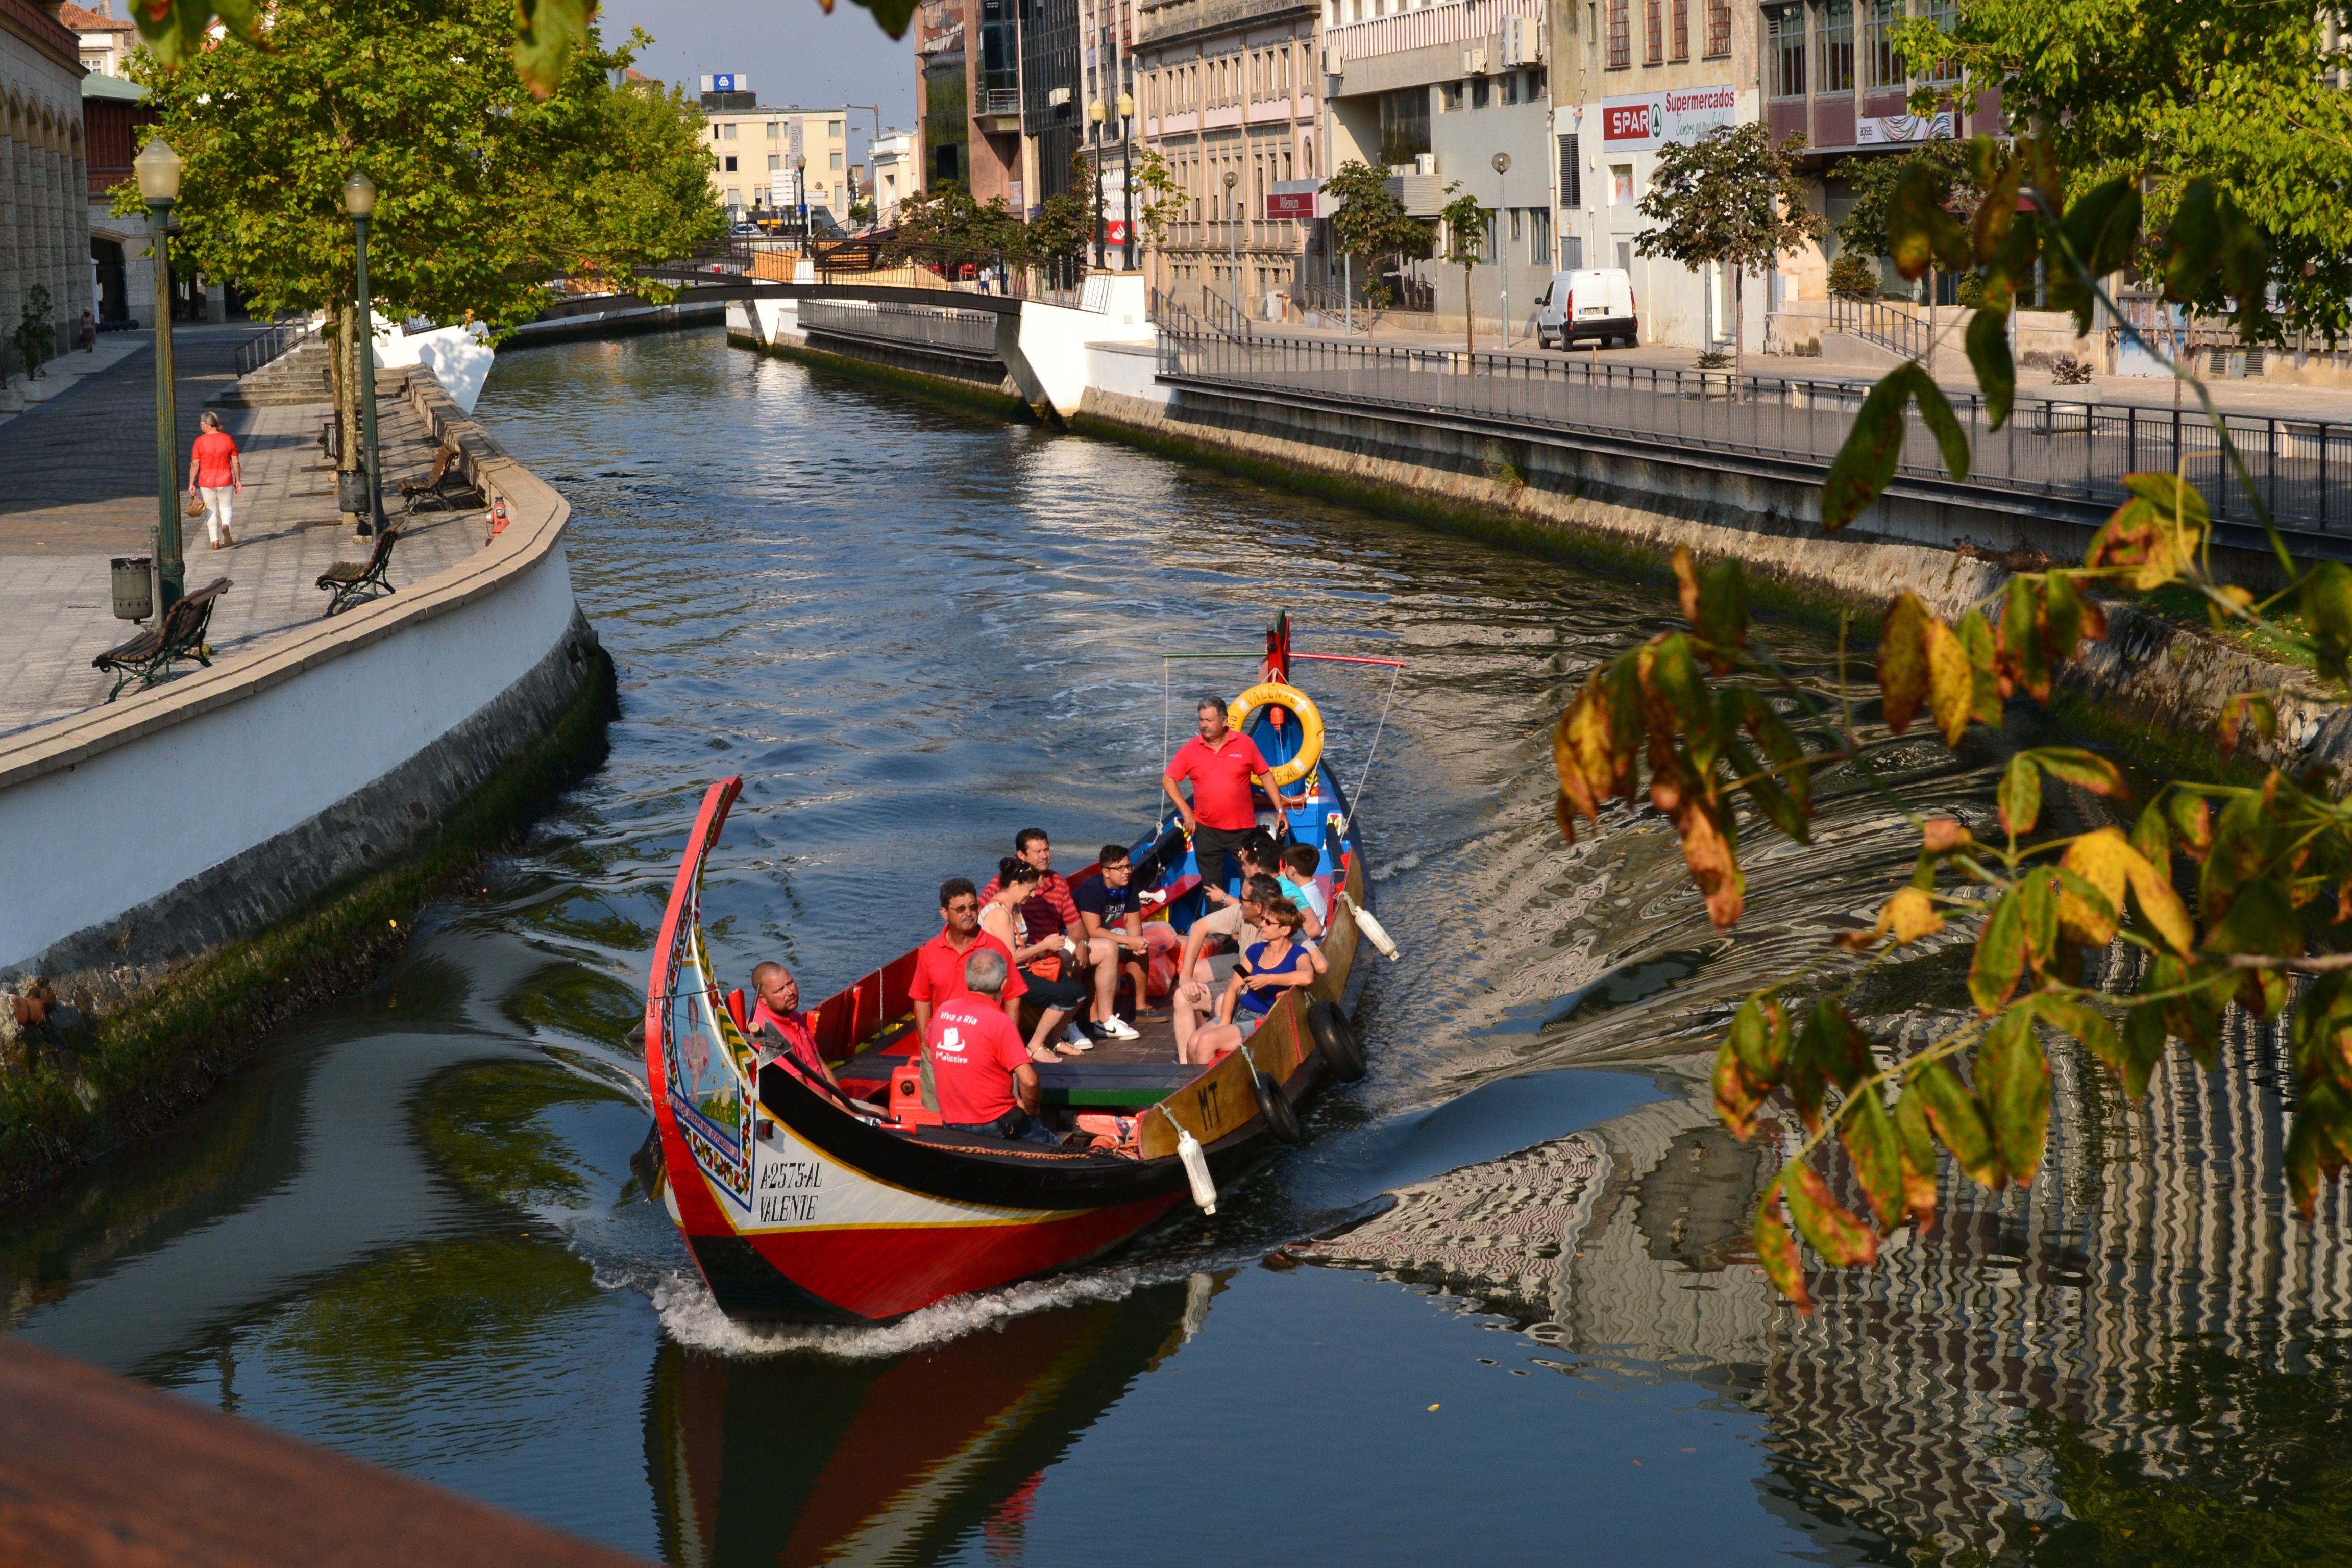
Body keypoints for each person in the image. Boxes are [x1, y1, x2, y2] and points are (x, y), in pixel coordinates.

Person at [979, 828, 1137, 1043]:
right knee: (1062, 957)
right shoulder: (1004, 885)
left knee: (1108, 948)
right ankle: (1067, 1026)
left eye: (1047, 850)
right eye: (1037, 852)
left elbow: (1075, 924)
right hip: (1029, 950)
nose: (1044, 856)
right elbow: (980, 915)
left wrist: (1082, 944)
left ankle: (1105, 1020)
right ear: (1022, 856)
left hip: (1054, 941)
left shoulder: (1058, 882)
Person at [1163, 698, 1303, 897]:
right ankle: (1217, 927)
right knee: (1212, 890)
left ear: (1224, 721)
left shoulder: (1245, 744)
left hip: (1243, 832)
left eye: (1209, 720)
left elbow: (1265, 775)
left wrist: (1281, 810)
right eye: (1201, 720)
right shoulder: (1191, 749)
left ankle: (1249, 925)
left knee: (1252, 888)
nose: (1204, 725)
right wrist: (1187, 811)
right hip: (1207, 832)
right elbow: (1168, 779)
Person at [926, 948, 1058, 1145]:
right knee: (1052, 1145)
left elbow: (932, 1046)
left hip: (951, 1121)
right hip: (994, 1123)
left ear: (967, 979)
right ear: (1004, 984)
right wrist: (1031, 1110)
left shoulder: (943, 1012)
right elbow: (1029, 1082)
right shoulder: (999, 1022)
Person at [1174, 901, 1316, 1065]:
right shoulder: (1255, 951)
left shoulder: (1298, 954)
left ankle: (1210, 1086)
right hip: (1240, 1012)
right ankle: (1195, 1086)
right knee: (1193, 1043)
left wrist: (1268, 979)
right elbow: (1234, 988)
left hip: (1264, 1021)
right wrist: (1225, 1021)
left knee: (1206, 1042)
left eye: (1269, 922)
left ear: (1285, 930)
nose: (1262, 924)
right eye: (1264, 919)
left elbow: (1307, 977)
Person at [981, 856, 1093, 1060]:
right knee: (1063, 995)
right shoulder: (999, 913)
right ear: (1015, 886)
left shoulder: (1014, 907)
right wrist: (1043, 946)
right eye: (1030, 890)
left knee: (1078, 991)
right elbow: (1011, 957)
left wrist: (1043, 950)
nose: (1032, 895)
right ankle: (1035, 1046)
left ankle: (1053, 1041)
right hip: (1002, 975)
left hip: (1021, 969)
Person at [1075, 842, 1181, 1023]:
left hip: (1103, 930)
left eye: (1128, 866)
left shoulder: (1130, 886)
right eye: (1120, 868)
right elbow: (1093, 930)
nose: (1127, 872)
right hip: (1082, 934)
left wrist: (1136, 941)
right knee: (1108, 949)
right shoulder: (1091, 891)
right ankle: (1092, 1016)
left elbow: (1133, 923)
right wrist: (1127, 940)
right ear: (1106, 872)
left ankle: (1139, 1009)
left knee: (1139, 949)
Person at [909, 877, 1026, 1040]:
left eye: (973, 907)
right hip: (942, 1045)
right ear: (944, 913)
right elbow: (922, 1000)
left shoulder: (996, 948)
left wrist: (1008, 1041)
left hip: (985, 1043)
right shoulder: (931, 951)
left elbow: (1013, 997)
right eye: (960, 909)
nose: (969, 914)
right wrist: (925, 1043)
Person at [188, 410, 242, 550]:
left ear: (207, 425)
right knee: (226, 507)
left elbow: (195, 464)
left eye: (201, 423)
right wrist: (238, 481)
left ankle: (215, 541)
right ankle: (226, 525)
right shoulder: (227, 439)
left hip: (207, 480)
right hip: (225, 479)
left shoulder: (200, 442)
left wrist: (191, 483)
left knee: (210, 510)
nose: (200, 426)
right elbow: (235, 462)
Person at [1279, 842, 1330, 940]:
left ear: (1292, 870)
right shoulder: (1314, 890)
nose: (1284, 869)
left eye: (1284, 865)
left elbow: (1309, 931)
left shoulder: (1302, 896)